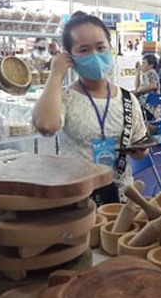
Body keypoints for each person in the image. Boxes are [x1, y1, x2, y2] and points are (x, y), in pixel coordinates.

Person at [33, 11, 149, 204]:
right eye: (84, 50)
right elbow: (46, 125)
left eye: (100, 47)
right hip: (76, 199)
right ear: (69, 56)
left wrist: (139, 150)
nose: (95, 55)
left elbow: (141, 149)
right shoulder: (65, 97)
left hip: (120, 198)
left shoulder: (128, 99)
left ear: (110, 48)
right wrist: (55, 74)